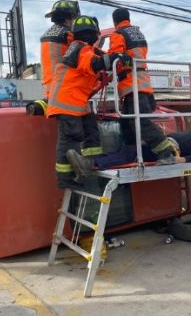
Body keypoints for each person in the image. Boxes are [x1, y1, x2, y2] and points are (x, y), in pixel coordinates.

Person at [45, 15, 130, 189]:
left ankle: (90, 162)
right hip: (67, 103)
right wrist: (115, 58)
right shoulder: (81, 49)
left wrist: (113, 69)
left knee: (91, 129)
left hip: (76, 103)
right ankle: (65, 179)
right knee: (69, 139)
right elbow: (94, 64)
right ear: (92, 35)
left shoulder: (77, 49)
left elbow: (92, 72)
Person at [108, 8, 175, 165]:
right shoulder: (138, 33)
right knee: (127, 123)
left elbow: (115, 57)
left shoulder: (118, 34)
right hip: (143, 85)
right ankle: (132, 152)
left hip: (132, 86)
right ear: (128, 18)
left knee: (140, 123)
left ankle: (166, 152)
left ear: (115, 22)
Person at [66, 131, 191, 176]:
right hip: (164, 144)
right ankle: (90, 162)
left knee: (130, 153)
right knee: (128, 150)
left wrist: (182, 160)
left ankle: (90, 164)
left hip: (170, 151)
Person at [28, 0, 80, 116]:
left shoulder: (49, 34)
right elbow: (82, 54)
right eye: (74, 18)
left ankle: (43, 104)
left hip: (49, 89)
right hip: (64, 90)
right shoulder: (68, 35)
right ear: (68, 19)